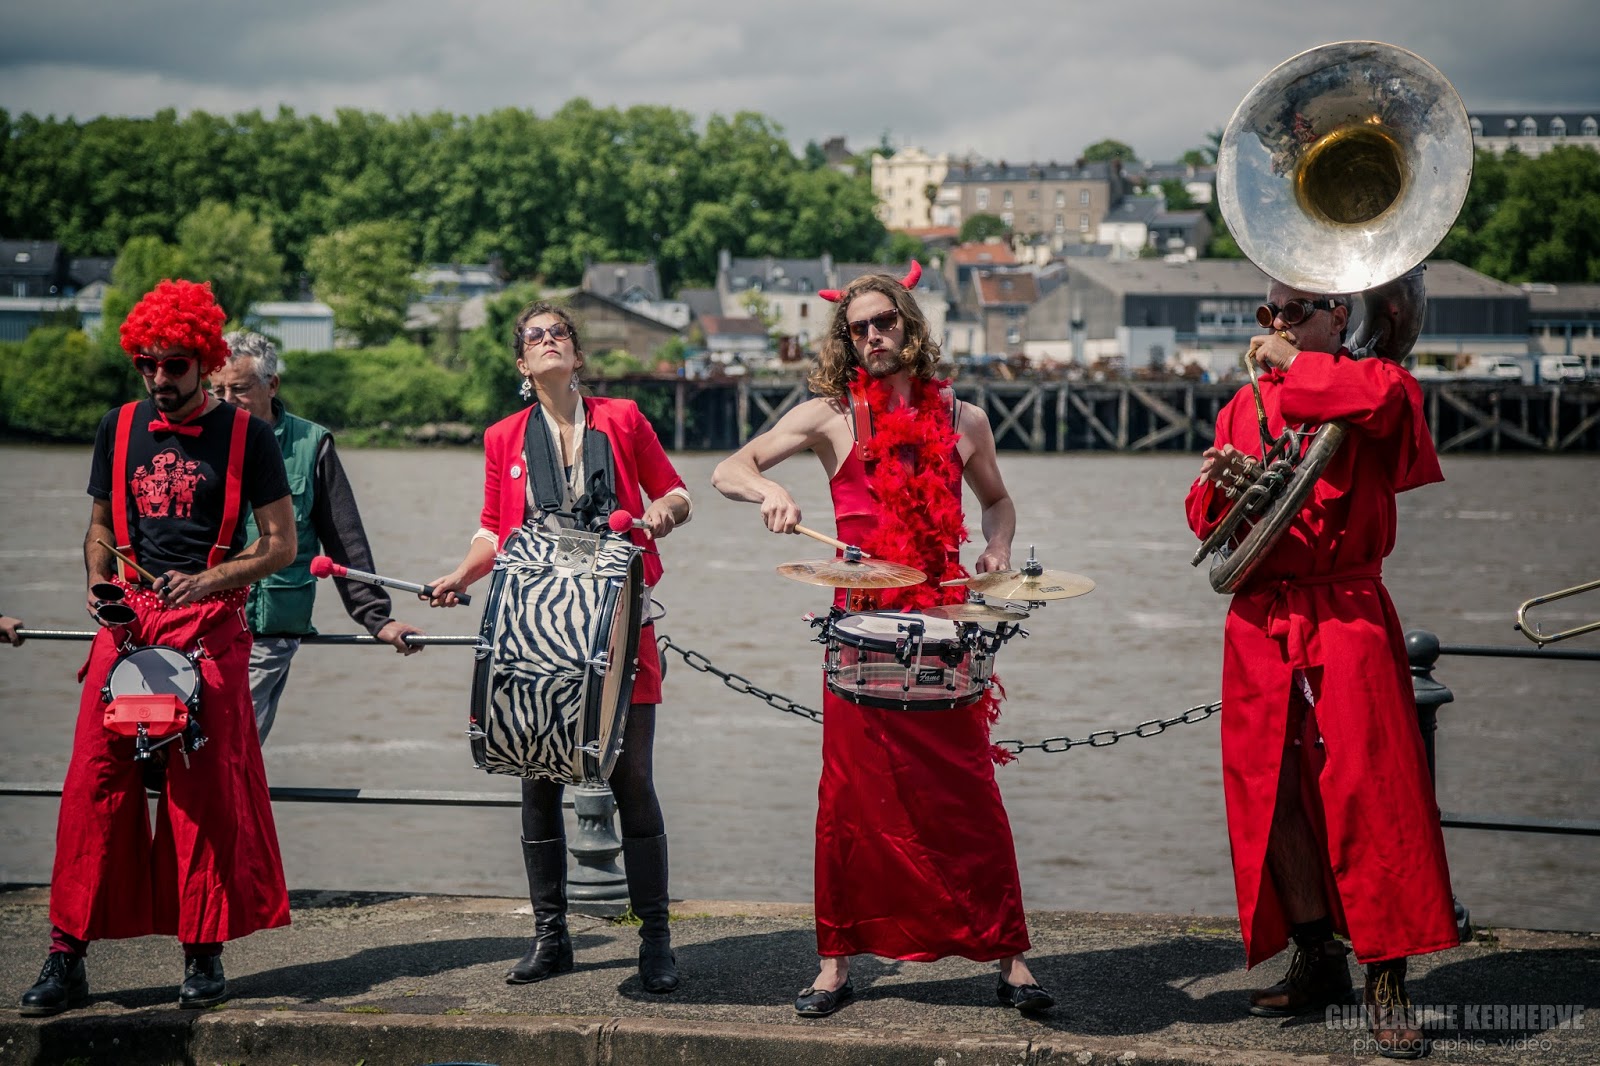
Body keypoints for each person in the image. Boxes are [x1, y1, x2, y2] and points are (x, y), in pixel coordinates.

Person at [711, 266, 1052, 1018]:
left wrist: (995, 549)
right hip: (860, 633)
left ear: (910, 325)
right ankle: (834, 965)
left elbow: (997, 501)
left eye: (884, 323)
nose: (873, 336)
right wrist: (769, 490)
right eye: (859, 328)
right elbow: (728, 468)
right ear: (847, 339)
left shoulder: (964, 419)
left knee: (968, 799)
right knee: (849, 804)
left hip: (945, 630)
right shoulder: (829, 416)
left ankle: (1010, 956)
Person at [1185, 281, 1456, 1060]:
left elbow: (1386, 409)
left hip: (1345, 613)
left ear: (1341, 315)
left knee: (1371, 798)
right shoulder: (1247, 404)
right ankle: (1316, 953)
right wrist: (1216, 489)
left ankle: (1387, 980)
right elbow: (1207, 516)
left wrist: (1290, 363)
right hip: (1263, 618)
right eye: (1268, 314)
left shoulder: (1378, 382)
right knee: (1270, 797)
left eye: (1294, 311)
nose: (1275, 326)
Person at [19, 279, 297, 1017]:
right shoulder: (117, 427)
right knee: (93, 786)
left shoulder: (249, 436)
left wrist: (209, 580)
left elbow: (280, 545)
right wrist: (96, 579)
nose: (159, 380)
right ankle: (65, 954)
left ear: (203, 360)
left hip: (209, 629)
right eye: (147, 365)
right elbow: (101, 528)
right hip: (128, 627)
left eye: (173, 365)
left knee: (200, 796)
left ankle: (202, 955)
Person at [424, 301, 692, 994]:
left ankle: (655, 942)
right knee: (536, 775)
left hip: (619, 620)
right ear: (522, 364)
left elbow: (677, 492)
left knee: (632, 776)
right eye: (535, 338)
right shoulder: (501, 438)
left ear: (577, 354)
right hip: (536, 627)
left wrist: (661, 511)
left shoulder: (624, 418)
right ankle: (552, 938)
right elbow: (492, 531)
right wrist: (459, 574)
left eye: (559, 334)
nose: (548, 342)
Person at [211, 331, 423, 743]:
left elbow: (345, 538)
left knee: (233, 745)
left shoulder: (311, 444)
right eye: (215, 389)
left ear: (272, 385)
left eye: (238, 388)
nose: (225, 399)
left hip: (269, 627)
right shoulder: (199, 440)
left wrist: (375, 617)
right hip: (201, 621)